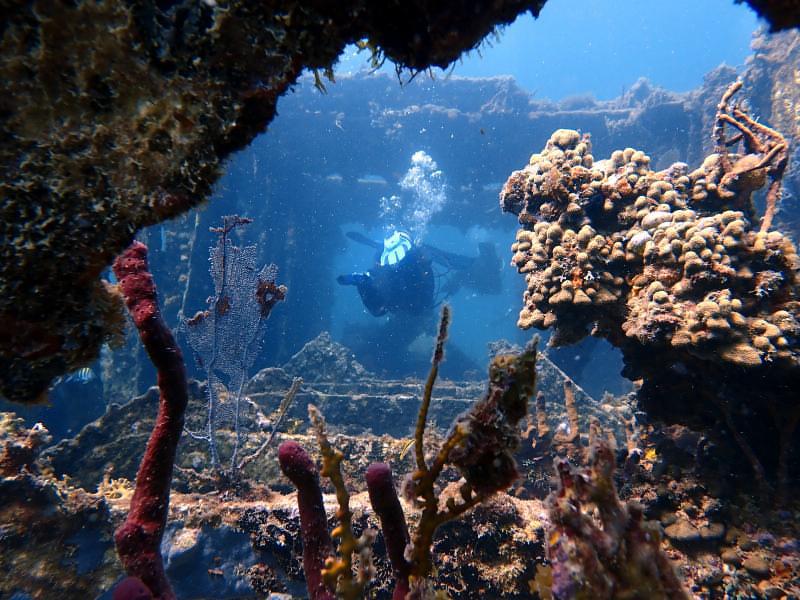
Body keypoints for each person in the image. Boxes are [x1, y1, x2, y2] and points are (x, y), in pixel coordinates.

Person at [337, 230, 435, 316]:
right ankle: (365, 280)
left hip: (392, 270)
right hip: (399, 274)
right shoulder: (415, 303)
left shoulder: (406, 299)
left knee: (380, 308)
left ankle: (365, 280)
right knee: (380, 310)